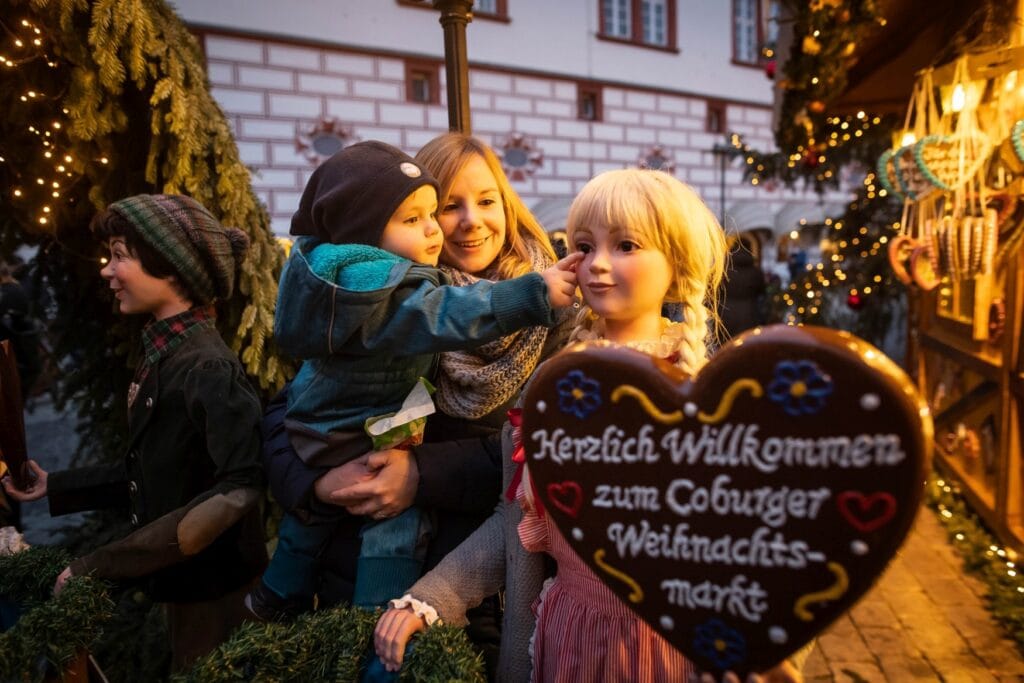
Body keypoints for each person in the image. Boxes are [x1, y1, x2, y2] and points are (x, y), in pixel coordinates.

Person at [373, 170, 805, 682]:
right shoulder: (552, 389)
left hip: (666, 655)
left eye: (625, 245)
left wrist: (765, 650)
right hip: (565, 643)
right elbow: (518, 525)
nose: (598, 264)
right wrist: (430, 598)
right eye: (584, 245)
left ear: (676, 264)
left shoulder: (710, 401)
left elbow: (762, 553)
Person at [261, 133, 576, 671]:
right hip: (349, 564)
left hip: (478, 599)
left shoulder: (559, 313)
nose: (469, 221)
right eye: (447, 205)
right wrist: (314, 482)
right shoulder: (374, 301)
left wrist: (420, 475)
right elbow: (287, 410)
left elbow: (548, 464)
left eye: (485, 200)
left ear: (508, 203)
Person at [1, 195, 267, 671]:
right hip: (185, 588)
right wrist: (57, 486)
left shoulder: (207, 367)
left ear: (172, 269)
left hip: (216, 594)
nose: (107, 270)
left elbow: (237, 490)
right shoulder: (165, 354)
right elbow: (159, 471)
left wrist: (96, 566)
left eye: (121, 254)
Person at [719, 236, 767, 338]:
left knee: (725, 349)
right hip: (749, 314)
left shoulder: (723, 271)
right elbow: (762, 291)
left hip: (725, 314)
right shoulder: (755, 272)